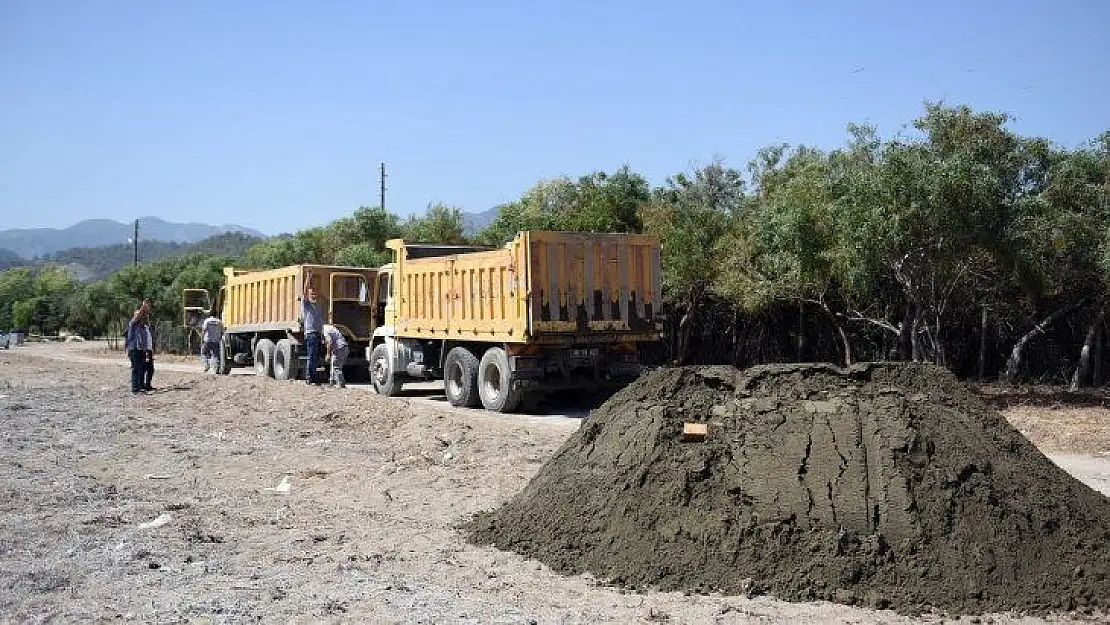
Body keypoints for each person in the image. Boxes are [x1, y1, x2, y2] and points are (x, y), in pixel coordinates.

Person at [125, 299, 152, 394]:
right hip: (134, 350)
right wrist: (143, 306)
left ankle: (141, 387)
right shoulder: (132, 324)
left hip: (140, 350)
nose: (140, 316)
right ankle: (135, 389)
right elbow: (139, 315)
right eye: (138, 315)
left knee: (142, 368)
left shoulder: (142, 327)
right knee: (136, 369)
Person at [302, 269, 324, 385]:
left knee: (316, 357)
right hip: (310, 334)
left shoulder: (318, 306)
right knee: (311, 356)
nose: (313, 295)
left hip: (318, 334)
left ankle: (314, 377)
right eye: (312, 294)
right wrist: (308, 277)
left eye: (315, 294)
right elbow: (305, 291)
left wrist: (323, 334)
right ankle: (309, 378)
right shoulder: (307, 305)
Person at [322, 323, 348, 388]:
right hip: (342, 347)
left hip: (340, 348)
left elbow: (329, 341)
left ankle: (341, 383)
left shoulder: (324, 330)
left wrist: (328, 354)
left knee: (336, 366)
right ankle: (332, 382)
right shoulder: (329, 327)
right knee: (333, 365)